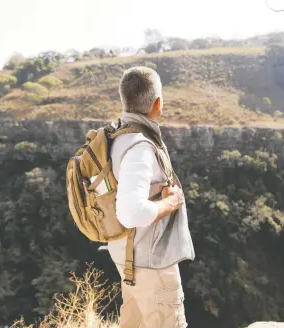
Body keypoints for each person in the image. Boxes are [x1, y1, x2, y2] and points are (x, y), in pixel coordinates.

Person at [107, 66, 195, 328]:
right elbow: (130, 212)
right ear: (158, 103)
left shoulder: (116, 137)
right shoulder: (140, 147)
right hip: (151, 265)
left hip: (127, 257)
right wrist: (170, 203)